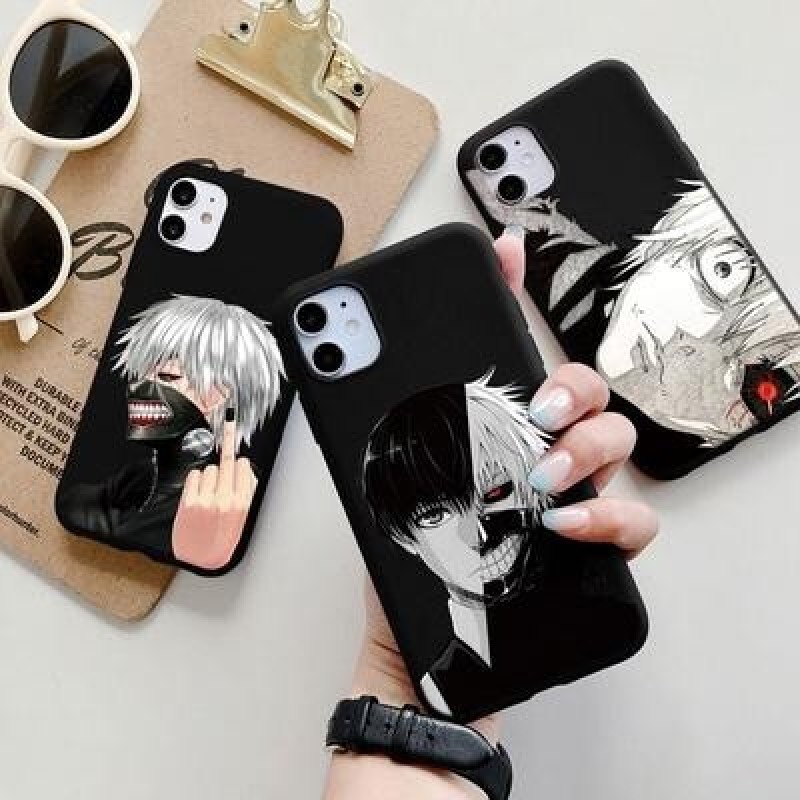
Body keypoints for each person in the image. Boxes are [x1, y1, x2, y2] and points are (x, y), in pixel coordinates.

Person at [323, 230, 659, 799]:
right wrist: (401, 685)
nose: (479, 529)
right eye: (435, 513)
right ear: (403, 539)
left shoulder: (593, 614)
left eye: (497, 487)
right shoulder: (439, 677)